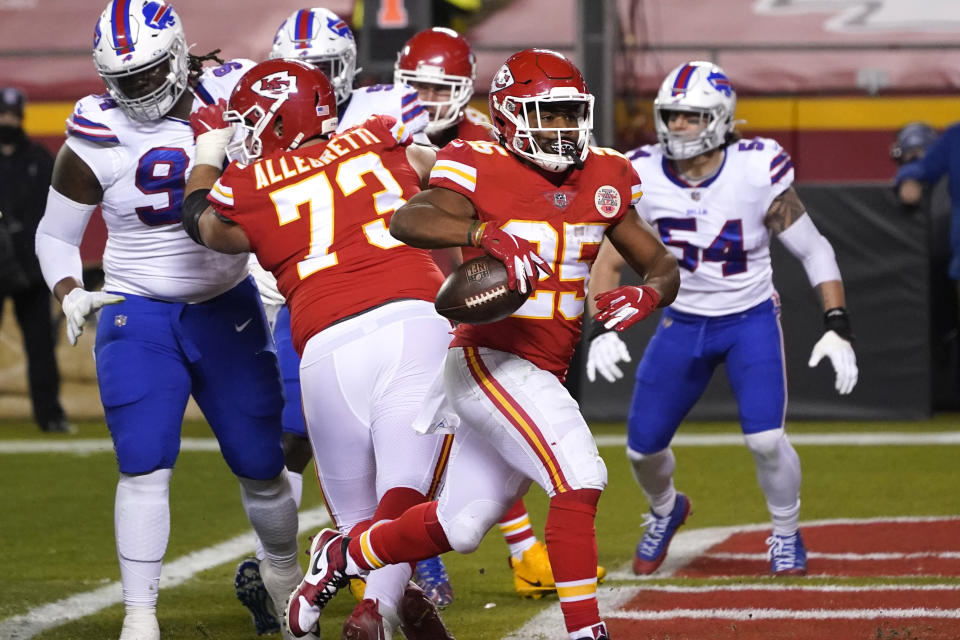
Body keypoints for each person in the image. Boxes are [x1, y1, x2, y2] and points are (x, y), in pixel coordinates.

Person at [284, 48, 680, 640]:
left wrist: (649, 296)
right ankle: (586, 633)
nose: (563, 129)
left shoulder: (605, 174)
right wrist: (482, 231)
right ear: (511, 116)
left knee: (461, 523)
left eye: (571, 114)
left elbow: (661, 263)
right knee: (580, 477)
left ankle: (340, 557)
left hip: (545, 365)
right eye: (548, 115)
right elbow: (407, 220)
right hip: (488, 358)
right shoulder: (475, 161)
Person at [33, 3, 302, 639]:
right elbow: (54, 234)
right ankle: (140, 617)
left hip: (227, 303)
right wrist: (70, 288)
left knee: (262, 463)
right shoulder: (94, 135)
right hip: (137, 310)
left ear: (180, 53)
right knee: (144, 461)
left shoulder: (235, 95)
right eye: (124, 80)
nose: (139, 91)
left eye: (151, 73)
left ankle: (285, 577)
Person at [182, 58, 454, 640]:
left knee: (356, 513)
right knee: (407, 494)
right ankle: (380, 606)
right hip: (413, 318)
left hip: (325, 342)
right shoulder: (380, 135)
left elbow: (204, 225)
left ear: (275, 122)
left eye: (249, 121)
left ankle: (378, 601)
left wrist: (206, 156)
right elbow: (440, 173)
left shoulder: (250, 183)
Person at [584, 60, 859, 577]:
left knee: (765, 440)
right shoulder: (641, 172)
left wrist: (836, 321)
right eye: (671, 116)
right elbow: (610, 258)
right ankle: (667, 510)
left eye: (690, 117)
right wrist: (603, 324)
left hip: (747, 318)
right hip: (682, 322)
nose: (677, 127)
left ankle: (785, 533)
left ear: (719, 118)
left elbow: (814, 249)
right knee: (642, 450)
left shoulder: (756, 169)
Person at [392, 24, 607, 603]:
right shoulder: (394, 126)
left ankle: (364, 553)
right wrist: (483, 231)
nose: (429, 100)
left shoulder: (501, 143)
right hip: (417, 296)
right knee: (425, 443)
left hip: (503, 306)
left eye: (441, 88)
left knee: (472, 492)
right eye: (417, 87)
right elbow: (405, 215)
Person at [0, 87, 73, 434]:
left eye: (12, 115)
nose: (7, 121)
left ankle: (50, 415)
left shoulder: (40, 159)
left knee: (41, 346)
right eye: (3, 115)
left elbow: (55, 214)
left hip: (30, 269)